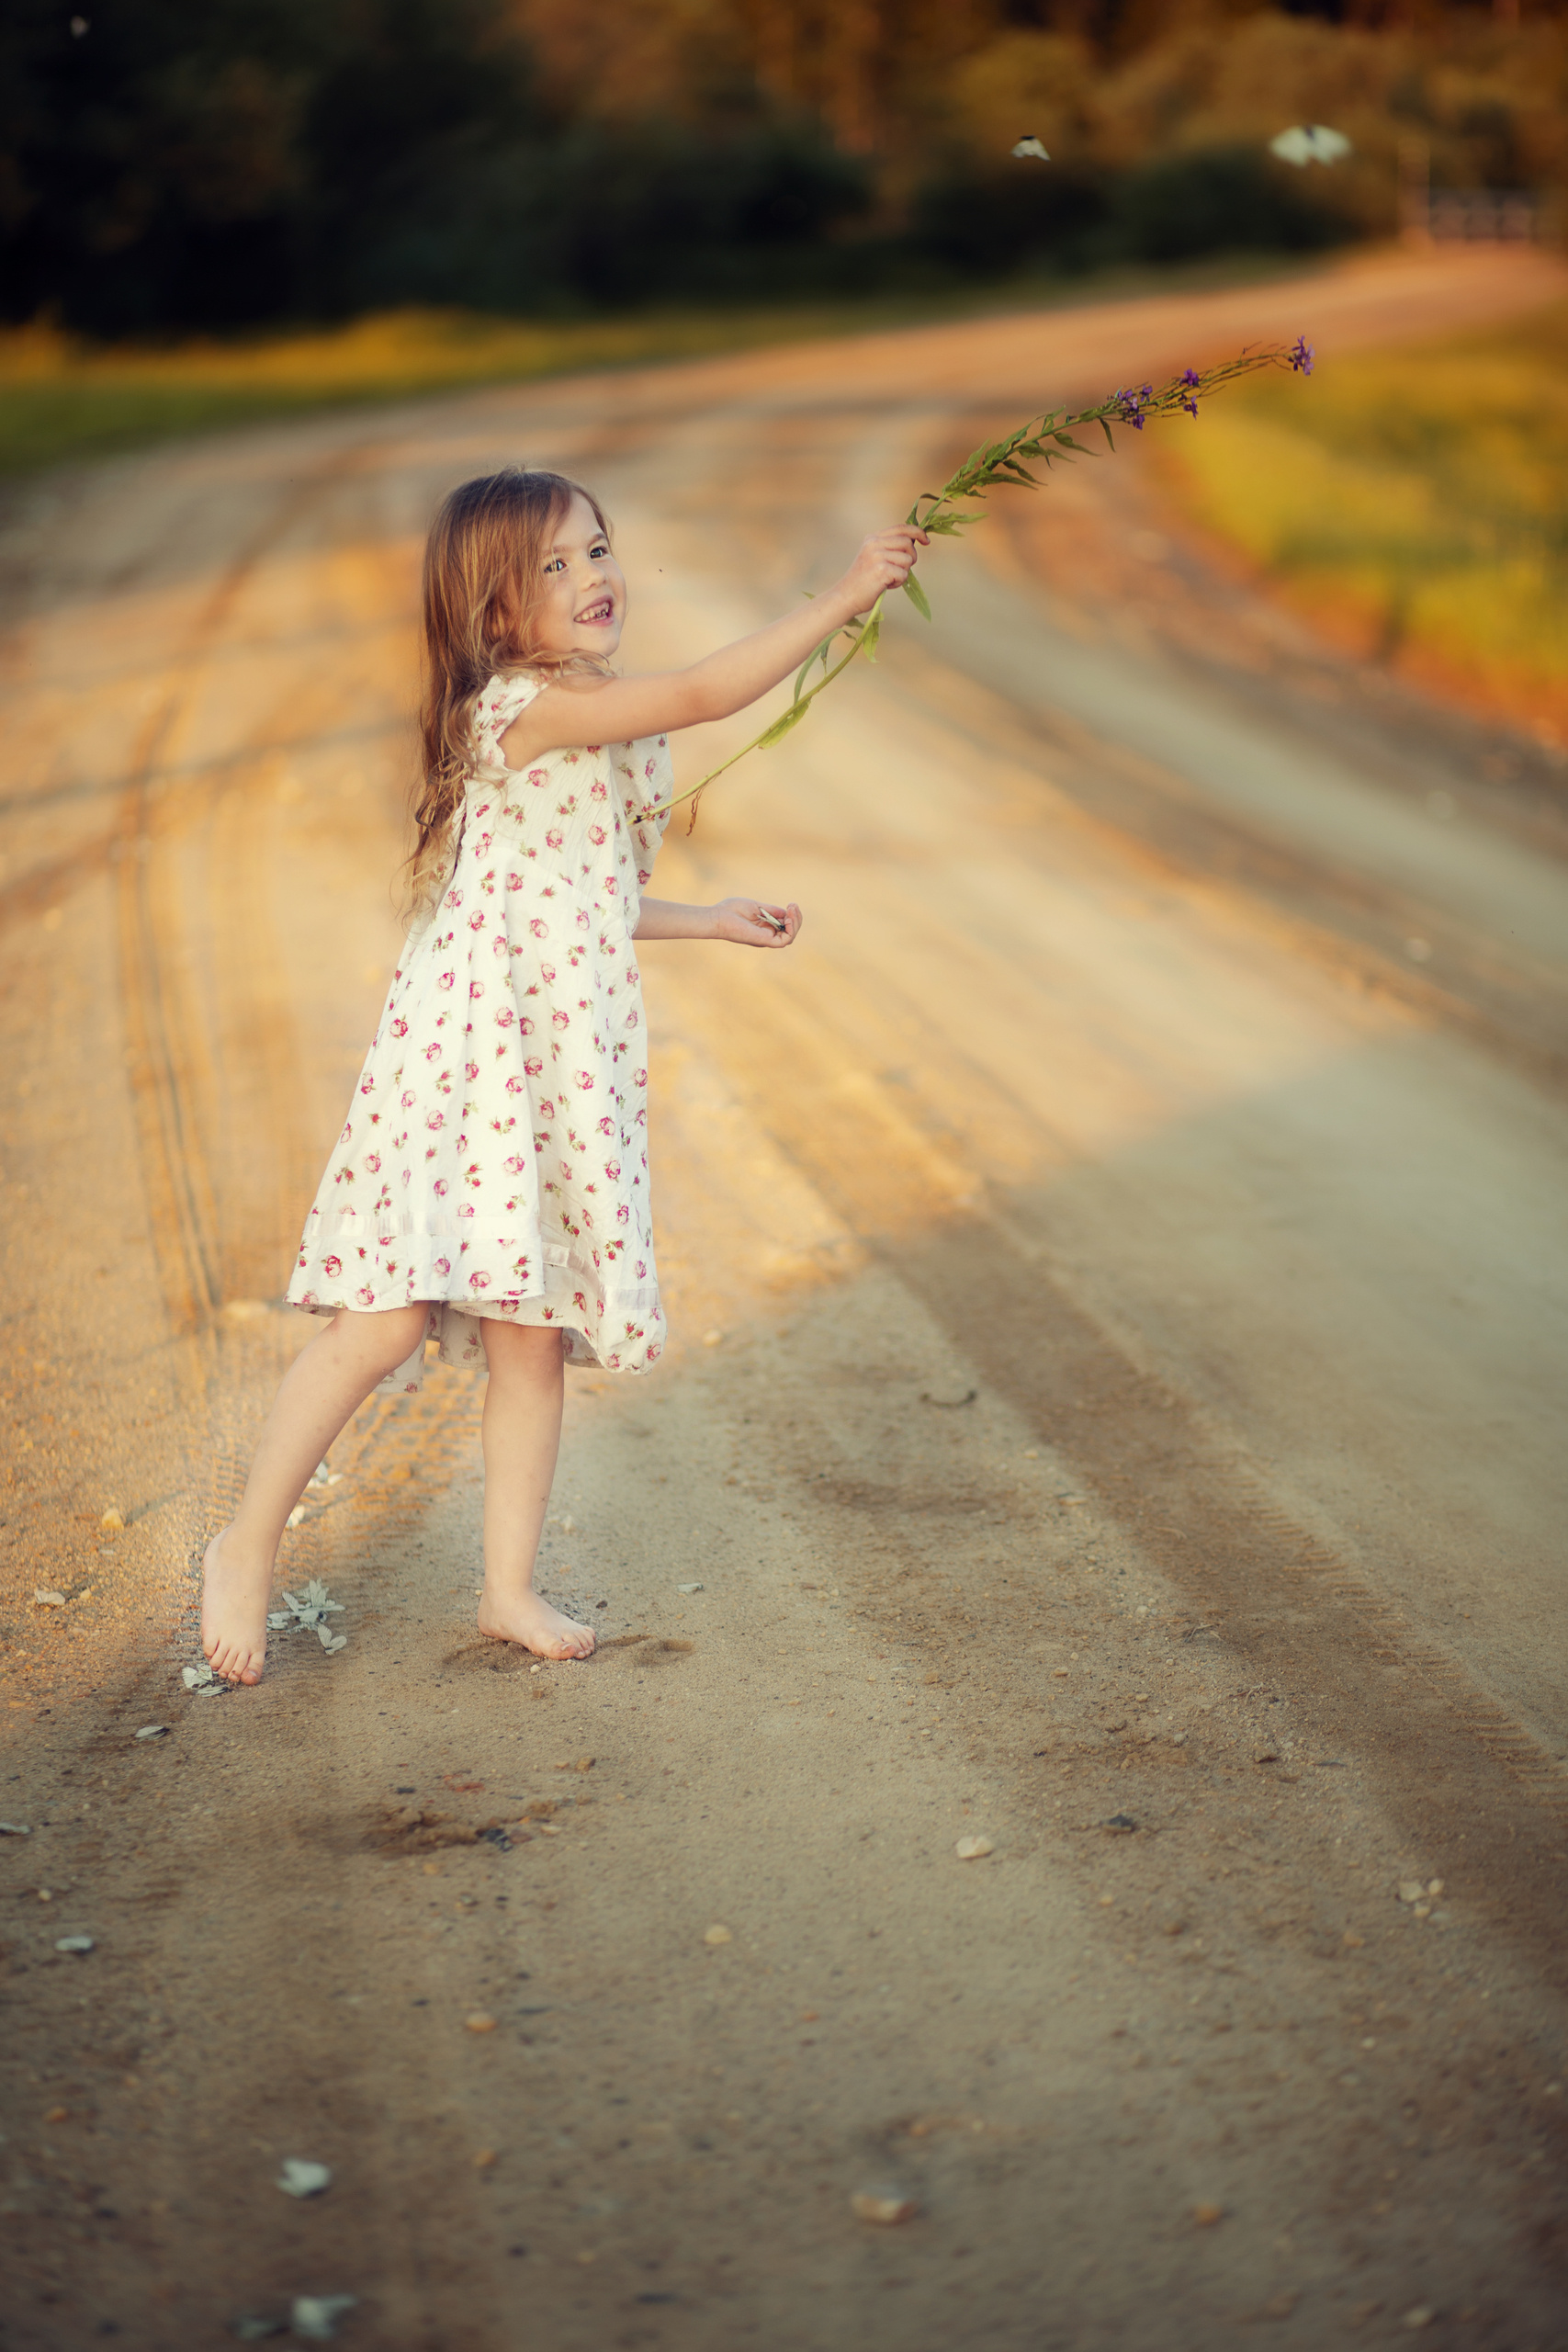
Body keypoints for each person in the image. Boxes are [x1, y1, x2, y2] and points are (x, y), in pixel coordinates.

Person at [200, 466, 925, 1685]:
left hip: (560, 1055)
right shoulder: (518, 710)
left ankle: (505, 1587)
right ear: (493, 619)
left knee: (533, 1336)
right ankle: (245, 1541)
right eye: (553, 568)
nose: (593, 577)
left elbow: (582, 897)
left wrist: (711, 918)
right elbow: (702, 691)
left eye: (596, 550)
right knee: (383, 1320)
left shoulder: (589, 711)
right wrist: (846, 594)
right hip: (471, 1055)